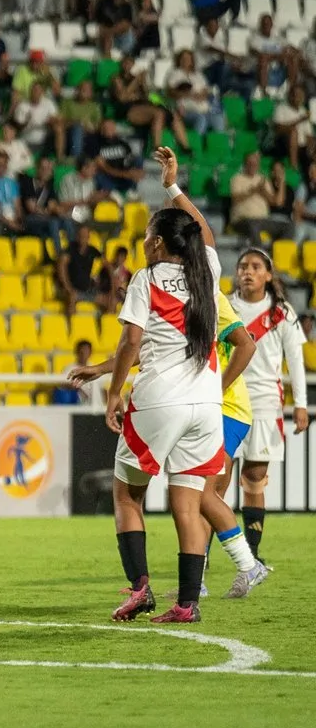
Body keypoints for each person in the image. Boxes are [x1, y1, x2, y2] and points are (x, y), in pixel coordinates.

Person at [66, 148, 262, 623]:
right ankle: (188, 604)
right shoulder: (206, 273)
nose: (146, 242)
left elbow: (134, 340)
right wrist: (173, 187)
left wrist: (113, 393)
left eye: (150, 236)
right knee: (187, 498)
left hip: (159, 401)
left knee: (126, 493)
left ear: (156, 243)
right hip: (205, 404)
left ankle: (140, 590)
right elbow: (206, 233)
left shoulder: (147, 278)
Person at [227, 246, 306, 585]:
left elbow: (295, 360)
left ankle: (253, 554)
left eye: (256, 266)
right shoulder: (225, 305)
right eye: (243, 265)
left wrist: (299, 403)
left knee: (254, 479)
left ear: (268, 275)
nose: (247, 271)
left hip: (264, 402)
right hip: (227, 398)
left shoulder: (281, 312)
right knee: (215, 480)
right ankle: (203, 555)